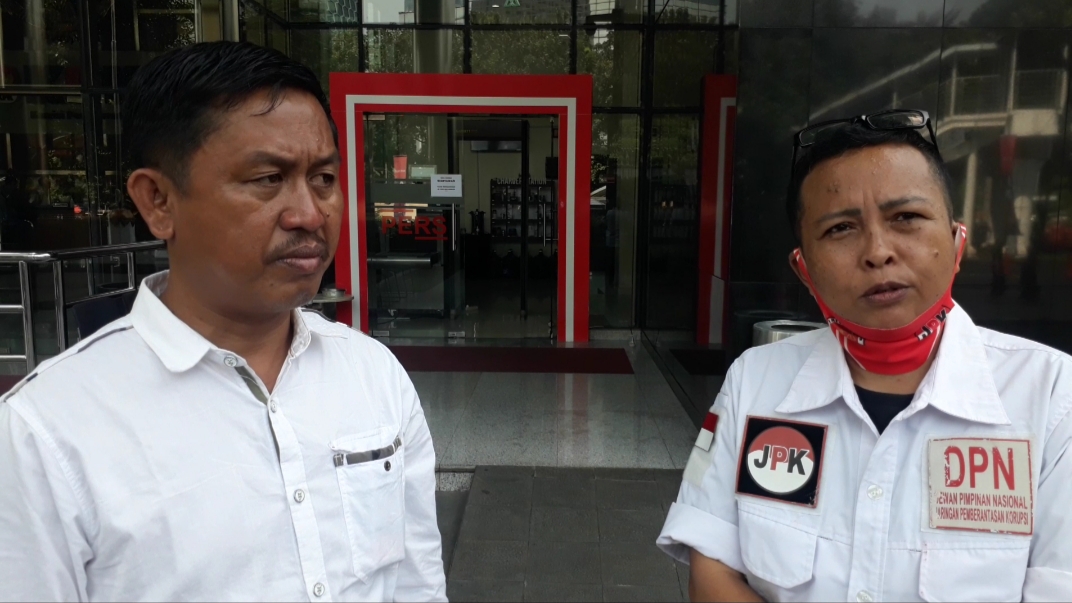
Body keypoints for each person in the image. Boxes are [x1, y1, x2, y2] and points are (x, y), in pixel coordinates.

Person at [0, 41, 446, 601]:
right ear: (158, 201)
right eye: (268, 178)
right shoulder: (45, 434)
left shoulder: (374, 374)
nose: (309, 214)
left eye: (323, 179)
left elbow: (416, 584)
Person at [657, 109, 1071, 602]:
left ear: (956, 239)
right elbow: (713, 571)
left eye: (906, 218)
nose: (878, 251)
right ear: (804, 268)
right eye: (840, 229)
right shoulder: (755, 381)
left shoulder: (1052, 398)